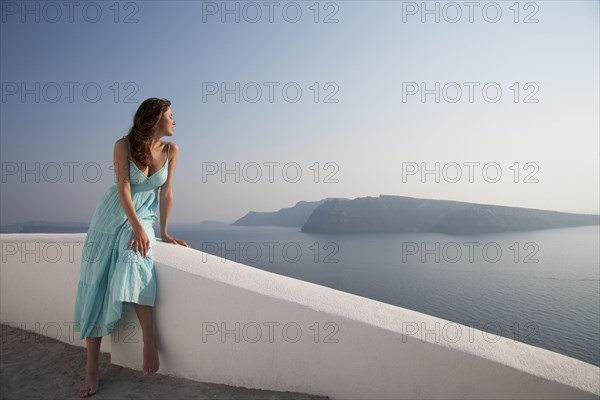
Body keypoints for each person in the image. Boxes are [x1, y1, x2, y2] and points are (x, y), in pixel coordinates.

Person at [73, 97, 190, 398]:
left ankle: (148, 339)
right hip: (114, 215)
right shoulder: (123, 145)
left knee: (134, 260)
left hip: (145, 217)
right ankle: (91, 368)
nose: (175, 121)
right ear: (154, 119)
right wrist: (137, 226)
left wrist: (162, 231)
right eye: (170, 115)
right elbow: (123, 186)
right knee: (97, 282)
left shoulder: (171, 150)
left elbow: (167, 193)